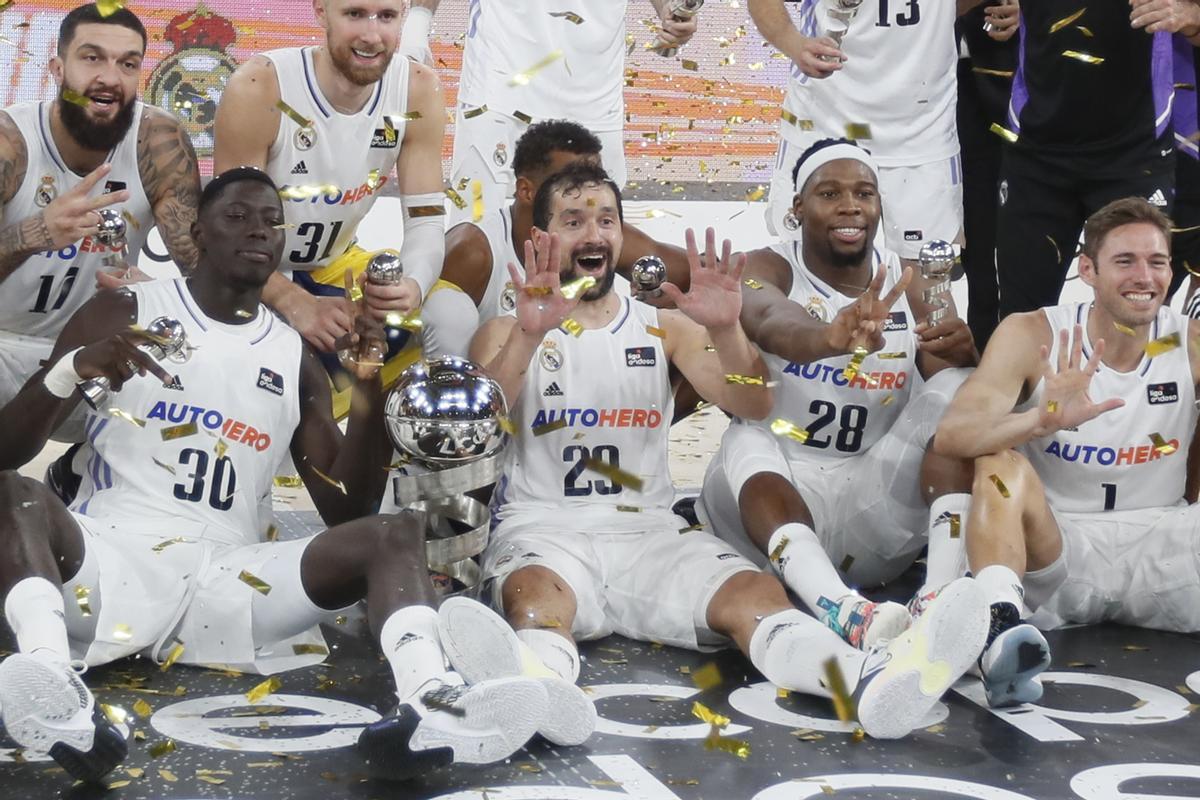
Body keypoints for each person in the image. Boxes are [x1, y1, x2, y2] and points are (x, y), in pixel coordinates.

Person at [0, 168, 546, 784]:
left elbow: (347, 509)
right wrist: (72, 368)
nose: (259, 229)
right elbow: (9, 451)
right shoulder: (124, 309)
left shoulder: (294, 357)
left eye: (271, 220)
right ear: (197, 232)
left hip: (227, 580)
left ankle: (433, 700)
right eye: (238, 216)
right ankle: (50, 683)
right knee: (10, 495)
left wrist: (366, 383)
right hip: (111, 563)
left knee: (395, 533)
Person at [454, 160, 990, 743]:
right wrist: (530, 335)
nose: (593, 234)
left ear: (619, 235)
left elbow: (755, 404)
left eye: (606, 220)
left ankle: (863, 678)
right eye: (573, 220)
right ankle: (542, 685)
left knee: (756, 594)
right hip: (544, 531)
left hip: (648, 533)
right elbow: (478, 427)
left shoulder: (664, 326)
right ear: (543, 238)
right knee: (534, 597)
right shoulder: (506, 328)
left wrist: (729, 329)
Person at [695, 139, 978, 650]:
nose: (850, 205)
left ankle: (939, 597)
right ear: (797, 209)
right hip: (771, 505)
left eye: (864, 193)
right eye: (830, 193)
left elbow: (945, 386)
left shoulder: (912, 282)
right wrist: (828, 338)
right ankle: (839, 608)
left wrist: (965, 354)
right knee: (746, 437)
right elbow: (770, 320)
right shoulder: (763, 266)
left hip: (874, 501)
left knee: (959, 393)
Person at [933, 198, 1198, 710]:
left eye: (1157, 262)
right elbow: (953, 435)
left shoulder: (1187, 342)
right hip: (1055, 554)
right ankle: (998, 631)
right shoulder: (1032, 332)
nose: (1144, 276)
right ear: (1087, 270)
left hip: (1163, 546)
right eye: (1125, 261)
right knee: (999, 464)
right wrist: (1039, 421)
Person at [214, 0, 446, 409]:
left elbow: (426, 221)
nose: (372, 35)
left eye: (387, 16)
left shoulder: (417, 89)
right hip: (253, 271)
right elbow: (225, 235)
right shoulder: (260, 85)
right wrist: (290, 299)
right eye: (354, 14)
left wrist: (412, 286)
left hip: (335, 264)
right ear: (321, 11)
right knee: (280, 367)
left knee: (451, 311)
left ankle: (421, 451)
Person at [0, 4, 201, 436]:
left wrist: (161, 297)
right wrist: (32, 234)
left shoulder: (158, 142)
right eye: (92, 58)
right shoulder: (9, 143)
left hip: (100, 352)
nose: (110, 78)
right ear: (57, 69)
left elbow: (206, 276)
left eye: (127, 64)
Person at [992, 0, 1200, 319]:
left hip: (1134, 153)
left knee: (1134, 320)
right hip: (1036, 151)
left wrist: (1190, 15)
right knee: (1019, 317)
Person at [424, 118, 690, 357]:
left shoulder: (603, 236)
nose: (588, 192)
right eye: (572, 181)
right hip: (493, 395)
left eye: (595, 178)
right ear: (527, 191)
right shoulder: (473, 252)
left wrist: (672, 301)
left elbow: (698, 274)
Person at [750, 0, 976, 271]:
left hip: (921, 132)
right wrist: (793, 43)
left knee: (926, 286)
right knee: (808, 281)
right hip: (821, 123)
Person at [448, 0, 697, 225]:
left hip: (593, 99)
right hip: (498, 90)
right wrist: (417, 25)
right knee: (473, 231)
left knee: (593, 247)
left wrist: (668, 9)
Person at [955, 1, 1019, 348]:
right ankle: (982, 337)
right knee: (975, 217)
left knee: (1024, 218)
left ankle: (1020, 341)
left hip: (1025, 77)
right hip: (937, 81)